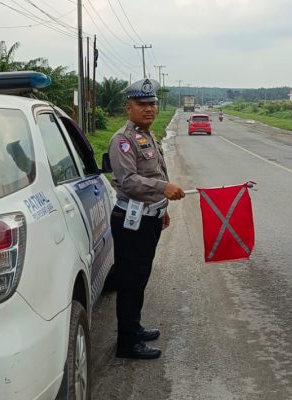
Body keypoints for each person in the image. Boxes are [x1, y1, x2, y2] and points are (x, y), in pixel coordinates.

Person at [107, 78, 186, 359]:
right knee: (130, 281)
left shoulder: (148, 135)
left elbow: (155, 174)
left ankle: (134, 327)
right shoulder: (123, 141)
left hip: (148, 218)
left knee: (140, 278)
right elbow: (128, 181)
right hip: (132, 221)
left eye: (152, 103)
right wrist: (164, 189)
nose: (150, 108)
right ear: (129, 107)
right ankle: (127, 343)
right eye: (142, 104)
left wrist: (161, 209)